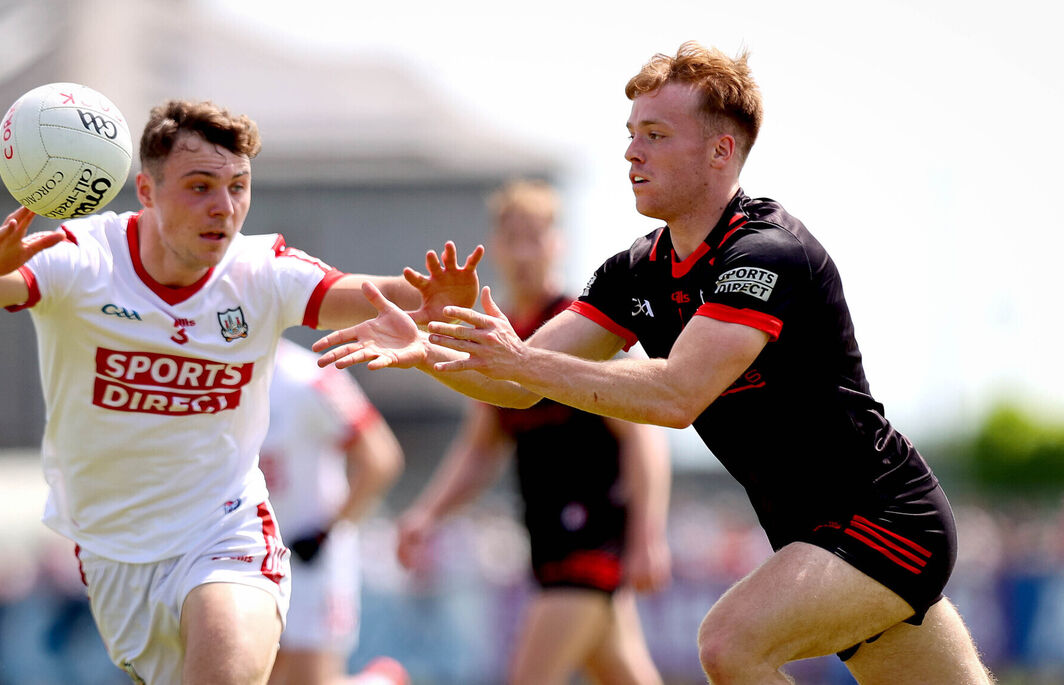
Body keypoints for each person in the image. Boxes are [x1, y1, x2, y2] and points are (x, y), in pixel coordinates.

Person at [313, 43, 994, 684]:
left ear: (721, 152)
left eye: (657, 135)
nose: (632, 152)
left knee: (729, 643)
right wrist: (428, 351)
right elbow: (514, 388)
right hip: (811, 539)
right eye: (632, 132)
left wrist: (520, 361)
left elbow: (676, 395)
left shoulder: (765, 254)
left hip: (885, 518)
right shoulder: (636, 269)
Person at [0, 99, 481, 685]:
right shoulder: (80, 259)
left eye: (238, 187)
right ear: (147, 192)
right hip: (115, 550)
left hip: (226, 529)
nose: (223, 208)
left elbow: (368, 292)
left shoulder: (263, 273)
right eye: (200, 187)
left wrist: (430, 302)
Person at [394, 180, 669, 685]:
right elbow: (479, 448)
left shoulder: (581, 327)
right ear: (496, 246)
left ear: (557, 243)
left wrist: (648, 535)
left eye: (535, 237)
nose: (523, 252)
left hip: (591, 537)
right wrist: (425, 514)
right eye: (513, 238)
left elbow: (642, 437)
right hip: (548, 544)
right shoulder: (501, 339)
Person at [260, 338, 408, 685]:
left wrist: (324, 534)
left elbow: (381, 458)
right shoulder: (220, 376)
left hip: (311, 561)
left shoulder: (306, 377)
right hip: (252, 560)